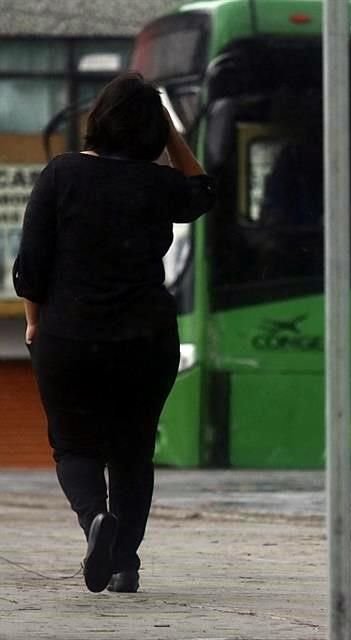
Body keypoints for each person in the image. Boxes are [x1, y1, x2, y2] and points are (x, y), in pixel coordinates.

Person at [13, 73, 216, 593]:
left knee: (74, 448)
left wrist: (35, 323)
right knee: (132, 452)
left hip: (70, 337)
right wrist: (169, 134)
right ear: (152, 130)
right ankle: (125, 563)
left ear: (97, 121)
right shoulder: (160, 184)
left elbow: (30, 267)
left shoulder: (62, 174)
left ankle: (94, 521)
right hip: (145, 340)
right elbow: (201, 191)